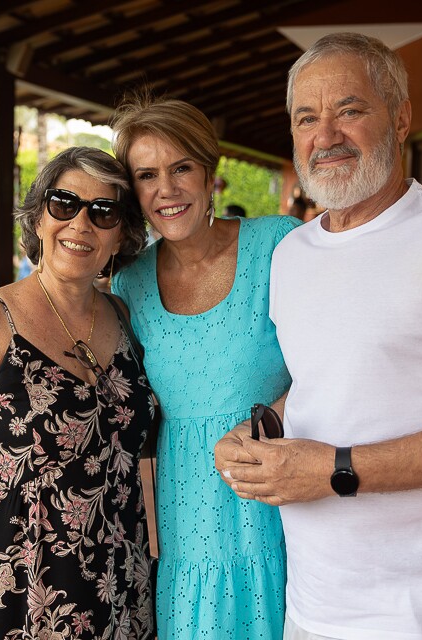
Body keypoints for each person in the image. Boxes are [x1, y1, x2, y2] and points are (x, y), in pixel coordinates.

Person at [214, 33, 422, 640]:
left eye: (349, 109)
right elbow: (326, 384)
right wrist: (259, 431)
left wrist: (338, 471)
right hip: (312, 602)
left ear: (401, 118)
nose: (326, 135)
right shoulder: (292, 253)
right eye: (306, 118)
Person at [0, 147, 154, 640]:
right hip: (18, 593)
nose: (81, 223)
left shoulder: (124, 319)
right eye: (64, 203)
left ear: (121, 234)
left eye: (102, 211)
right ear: (39, 217)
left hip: (120, 585)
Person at [110, 94, 300, 639]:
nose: (166, 190)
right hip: (185, 529)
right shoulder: (130, 284)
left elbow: (333, 365)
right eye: (147, 175)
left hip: (281, 511)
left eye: (181, 168)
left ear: (210, 173)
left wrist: (270, 419)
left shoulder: (278, 245)